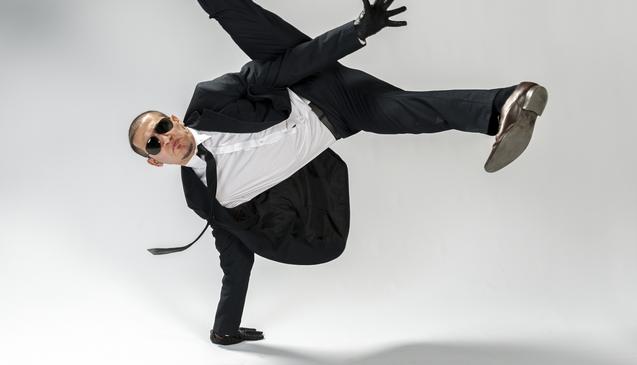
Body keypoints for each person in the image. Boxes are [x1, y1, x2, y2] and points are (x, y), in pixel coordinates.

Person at [128, 0, 548, 346]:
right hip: (342, 117)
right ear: (153, 161)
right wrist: (224, 328)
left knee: (244, 22)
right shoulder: (205, 197)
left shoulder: (210, 100)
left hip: (307, 82)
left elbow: (277, 72)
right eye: (153, 144)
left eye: (162, 127)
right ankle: (507, 105)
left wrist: (358, 31)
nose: (165, 140)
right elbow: (234, 255)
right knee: (415, 112)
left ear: (173, 119)